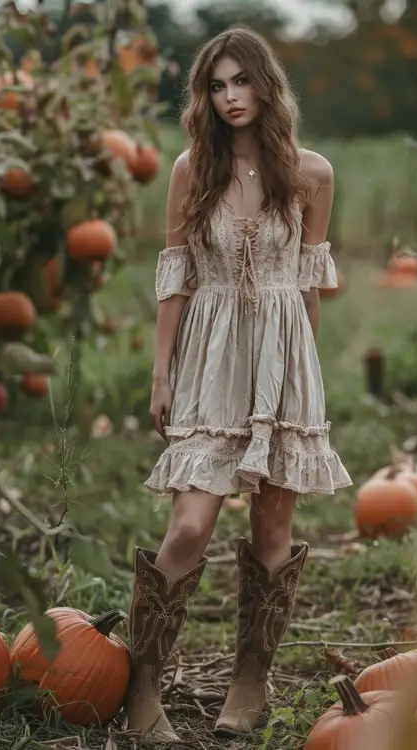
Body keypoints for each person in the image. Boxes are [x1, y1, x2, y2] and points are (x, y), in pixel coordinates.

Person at [124, 24, 352, 743]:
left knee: (273, 521)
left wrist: (303, 384)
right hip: (210, 356)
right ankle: (140, 688)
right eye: (216, 85)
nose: (229, 97)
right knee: (191, 522)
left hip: (284, 360)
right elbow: (176, 277)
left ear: (266, 84)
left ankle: (249, 682)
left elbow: (310, 284)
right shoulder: (194, 168)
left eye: (240, 81)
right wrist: (162, 371)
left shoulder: (311, 173)